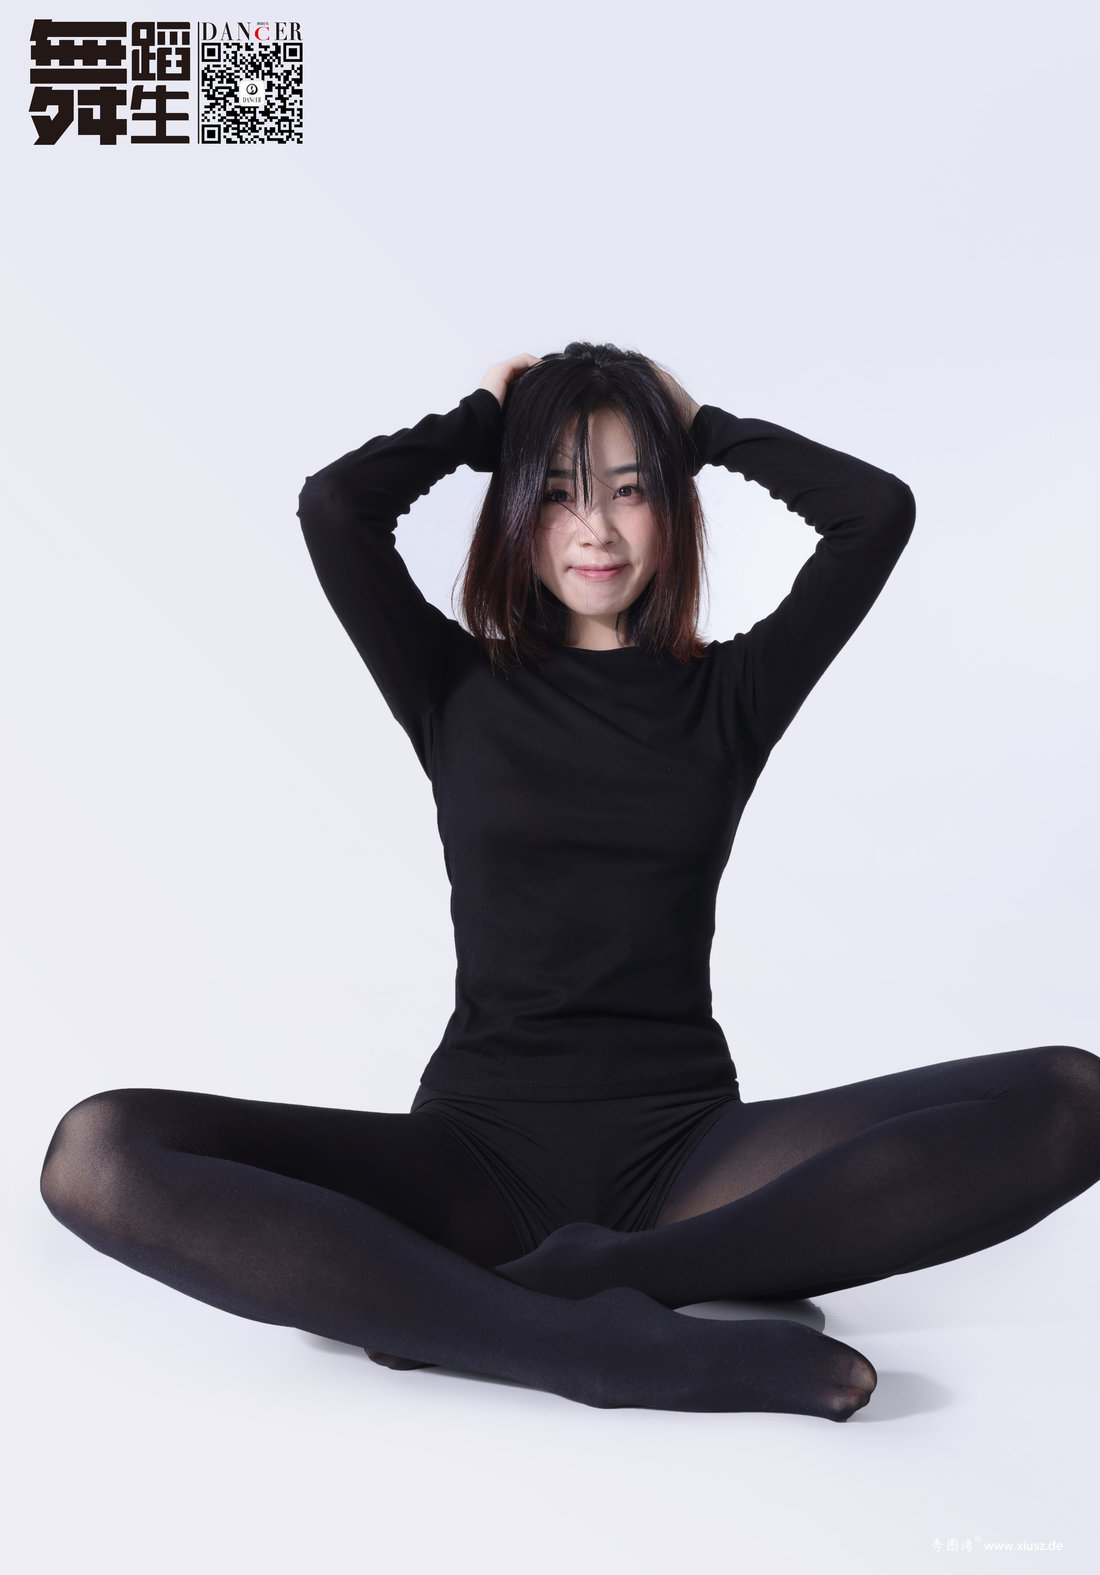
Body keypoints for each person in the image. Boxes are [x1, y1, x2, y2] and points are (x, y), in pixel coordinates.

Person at [39, 342, 1100, 1422]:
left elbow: (874, 513)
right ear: (514, 510)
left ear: (673, 506)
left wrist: (704, 429)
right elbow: (335, 509)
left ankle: (580, 1283)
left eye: (630, 491)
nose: (595, 530)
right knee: (99, 1150)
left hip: (688, 1159)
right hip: (475, 1151)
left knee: (1073, 1097)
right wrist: (477, 421)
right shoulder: (451, 683)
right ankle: (585, 1348)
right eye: (557, 494)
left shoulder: (730, 694)